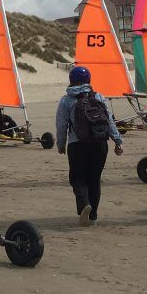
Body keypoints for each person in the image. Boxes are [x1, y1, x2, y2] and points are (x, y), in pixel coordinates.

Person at [56, 66, 124, 226]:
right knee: (94, 179)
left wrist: (61, 144)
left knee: (77, 177)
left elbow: (61, 124)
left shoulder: (66, 100)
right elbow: (109, 121)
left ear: (71, 80)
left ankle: (84, 204)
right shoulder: (99, 97)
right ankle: (93, 215)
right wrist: (118, 141)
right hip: (100, 143)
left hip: (77, 144)